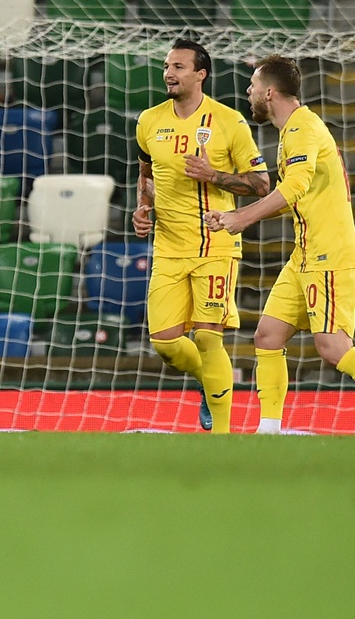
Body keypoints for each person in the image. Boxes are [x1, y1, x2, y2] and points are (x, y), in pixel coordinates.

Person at [205, 55, 355, 435]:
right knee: (267, 334)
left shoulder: (302, 128)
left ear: (270, 92)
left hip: (328, 255)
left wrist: (241, 218)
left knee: (333, 348)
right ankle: (268, 429)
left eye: (252, 85)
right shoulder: (292, 130)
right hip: (304, 254)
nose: (247, 92)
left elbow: (294, 186)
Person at [133, 39, 270, 434]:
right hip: (169, 246)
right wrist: (143, 207)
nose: (169, 74)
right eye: (166, 66)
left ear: (200, 74)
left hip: (216, 244)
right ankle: (208, 385)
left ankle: (222, 437)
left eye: (178, 67)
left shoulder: (229, 122)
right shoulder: (149, 121)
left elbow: (261, 184)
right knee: (165, 344)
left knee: (209, 339)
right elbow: (145, 175)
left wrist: (214, 176)